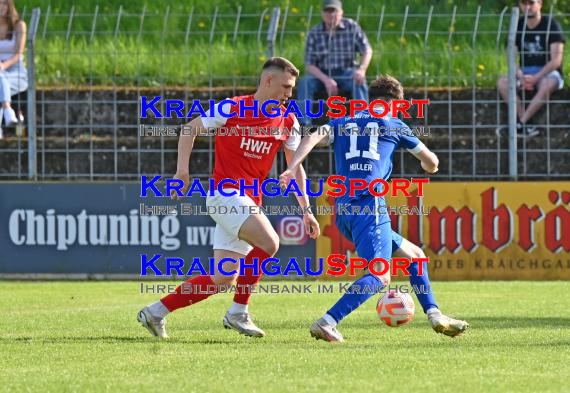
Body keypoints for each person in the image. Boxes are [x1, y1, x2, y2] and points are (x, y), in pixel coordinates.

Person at [137, 57, 320, 339]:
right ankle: (238, 313)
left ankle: (155, 312)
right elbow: (190, 129)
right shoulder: (234, 106)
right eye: (286, 86)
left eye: (292, 88)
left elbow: (296, 168)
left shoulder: (288, 120)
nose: (289, 93)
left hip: (248, 202)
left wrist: (306, 209)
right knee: (270, 242)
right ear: (268, 80)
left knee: (223, 278)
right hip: (225, 194)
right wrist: (182, 172)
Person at [280, 75, 469, 342]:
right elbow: (432, 162)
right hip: (369, 205)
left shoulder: (344, 121)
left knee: (414, 255)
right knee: (380, 276)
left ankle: (435, 314)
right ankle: (328, 321)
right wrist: (428, 165)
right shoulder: (394, 124)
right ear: (396, 104)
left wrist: (291, 167)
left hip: (343, 210)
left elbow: (312, 136)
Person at [296, 0, 372, 127]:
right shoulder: (314, 33)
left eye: (334, 11)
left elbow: (367, 50)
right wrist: (326, 80)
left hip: (347, 72)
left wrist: (362, 69)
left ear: (341, 13)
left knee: (359, 81)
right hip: (321, 74)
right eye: (327, 11)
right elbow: (309, 64)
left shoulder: (351, 27)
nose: (331, 14)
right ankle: (304, 125)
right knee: (304, 82)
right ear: (322, 13)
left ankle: (362, 122)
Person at [497, 0, 565, 137]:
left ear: (540, 4)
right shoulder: (517, 25)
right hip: (524, 72)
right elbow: (510, 57)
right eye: (523, 3)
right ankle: (525, 124)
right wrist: (520, 75)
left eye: (531, 3)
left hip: (548, 72)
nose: (527, 7)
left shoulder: (552, 25)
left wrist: (536, 78)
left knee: (547, 84)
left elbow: (556, 60)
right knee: (502, 82)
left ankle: (520, 123)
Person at [0, 0, 27, 139]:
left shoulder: (19, 26)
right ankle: (7, 109)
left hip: (16, 71)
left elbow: (19, 53)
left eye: (4, 3)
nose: (1, 7)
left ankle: (6, 109)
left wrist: (3, 66)